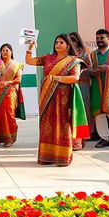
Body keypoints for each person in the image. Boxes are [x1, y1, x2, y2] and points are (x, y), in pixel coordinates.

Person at [25, 35, 89, 166]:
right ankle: (46, 156)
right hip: (47, 96)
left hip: (63, 97)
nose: (57, 44)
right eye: (56, 42)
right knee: (46, 125)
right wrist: (29, 48)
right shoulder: (47, 58)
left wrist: (57, 78)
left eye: (61, 42)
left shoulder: (73, 60)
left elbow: (75, 78)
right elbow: (29, 61)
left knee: (62, 125)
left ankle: (62, 156)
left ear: (68, 45)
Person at [0, 43, 24, 147]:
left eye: (7, 50)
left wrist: (8, 83)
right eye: (3, 50)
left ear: (11, 52)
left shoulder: (16, 65)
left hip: (10, 94)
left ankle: (9, 139)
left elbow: (18, 79)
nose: (5, 52)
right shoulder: (1, 66)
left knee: (9, 115)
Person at [69, 31, 93, 151]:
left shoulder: (83, 52)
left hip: (82, 83)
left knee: (82, 111)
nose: (72, 42)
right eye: (70, 40)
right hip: (69, 84)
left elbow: (89, 66)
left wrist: (79, 71)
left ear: (78, 41)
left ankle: (84, 137)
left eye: (74, 40)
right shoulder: (68, 53)